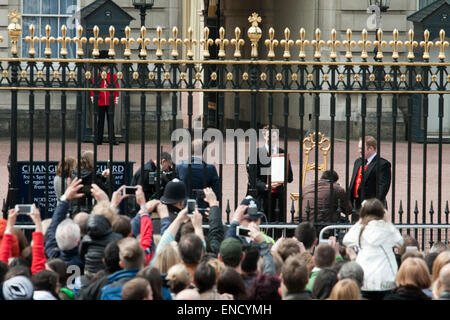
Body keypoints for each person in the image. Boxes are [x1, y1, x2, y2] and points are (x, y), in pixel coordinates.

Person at [343, 198, 403, 300]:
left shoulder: (361, 230)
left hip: (365, 278)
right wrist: (388, 222)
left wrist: (360, 221)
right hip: (386, 278)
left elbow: (346, 240)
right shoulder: (387, 229)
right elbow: (400, 242)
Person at [247, 124, 293, 222]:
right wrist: (266, 185)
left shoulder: (282, 153)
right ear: (264, 136)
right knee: (262, 226)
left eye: (274, 136)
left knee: (277, 227)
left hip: (278, 197)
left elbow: (290, 178)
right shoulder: (256, 154)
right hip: (263, 197)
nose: (271, 138)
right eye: (269, 136)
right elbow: (252, 178)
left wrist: (282, 175)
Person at [44, 177, 84, 272]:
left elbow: (52, 229)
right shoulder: (85, 257)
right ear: (79, 241)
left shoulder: (53, 255)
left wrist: (64, 199)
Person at [79, 201, 123, 277]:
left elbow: (81, 255)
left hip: (89, 274)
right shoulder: (117, 238)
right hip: (109, 275)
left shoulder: (86, 238)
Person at [349, 136, 391, 212]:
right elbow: (354, 182)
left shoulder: (383, 164)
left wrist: (373, 205)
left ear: (371, 148)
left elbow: (383, 188)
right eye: (359, 148)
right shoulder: (358, 162)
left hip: (372, 206)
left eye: (361, 148)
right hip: (356, 205)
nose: (359, 151)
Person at [176, 139, 220, 210]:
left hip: (185, 207)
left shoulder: (180, 166)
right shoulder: (210, 168)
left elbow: (175, 188)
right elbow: (217, 192)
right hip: (204, 206)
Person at [90, 50, 119, 145]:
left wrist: (116, 97)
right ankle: (99, 139)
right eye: (103, 66)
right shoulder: (97, 77)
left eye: (105, 66)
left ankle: (112, 139)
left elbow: (116, 88)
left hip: (110, 101)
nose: (104, 67)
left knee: (111, 121)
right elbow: (93, 87)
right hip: (100, 101)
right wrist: (92, 96)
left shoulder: (113, 77)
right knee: (100, 122)